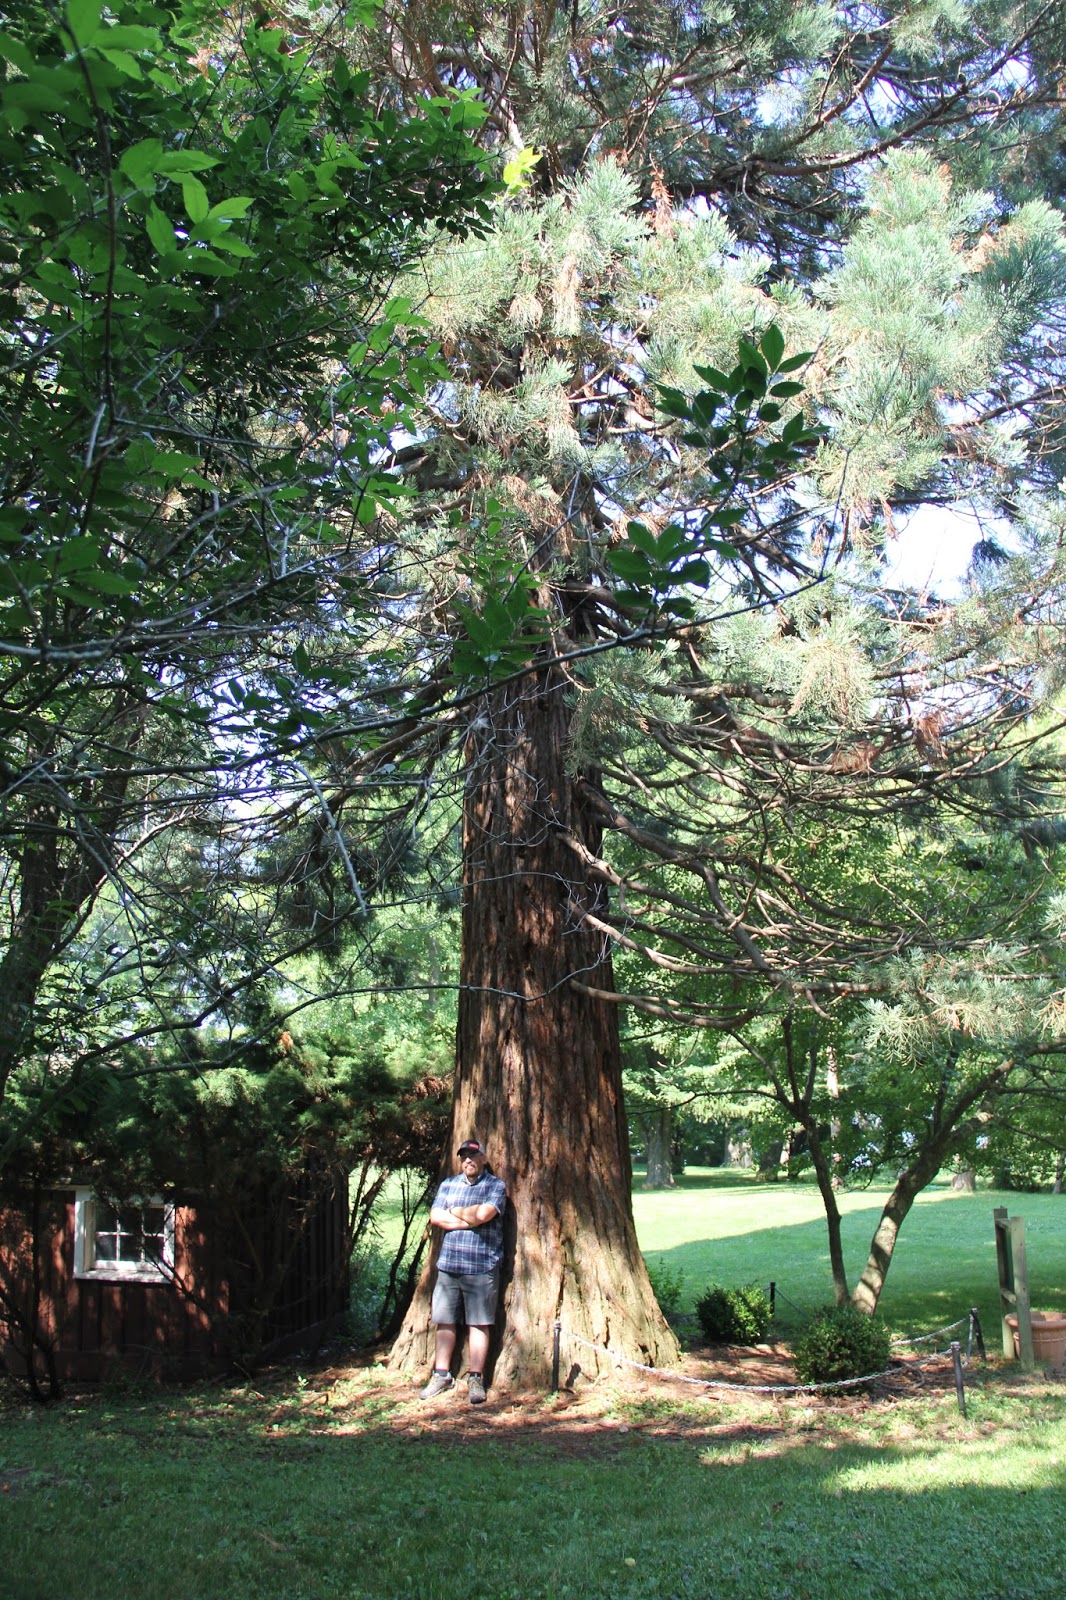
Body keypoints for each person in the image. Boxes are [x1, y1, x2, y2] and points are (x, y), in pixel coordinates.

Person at [419, 1137, 507, 1405]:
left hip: (482, 1265)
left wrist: (455, 1211)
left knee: (478, 1323)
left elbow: (484, 1215)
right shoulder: (448, 1184)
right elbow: (436, 1217)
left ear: (483, 1158)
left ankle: (476, 1377)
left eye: (473, 1155)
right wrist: (468, 1221)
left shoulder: (495, 1186)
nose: (468, 1159)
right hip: (449, 1265)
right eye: (463, 1156)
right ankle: (441, 1374)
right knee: (444, 1320)